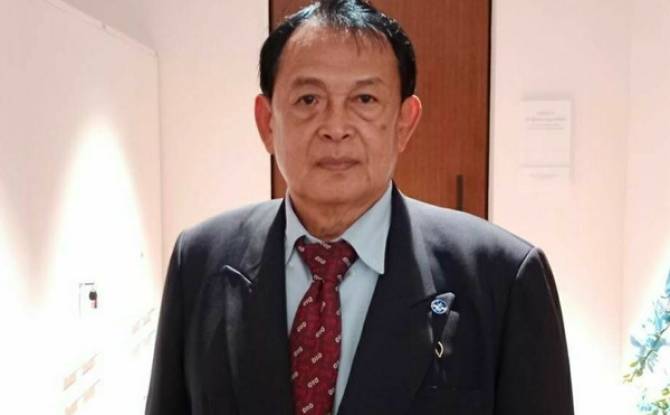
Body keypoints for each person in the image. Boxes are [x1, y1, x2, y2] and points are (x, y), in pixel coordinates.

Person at [145, 1, 574, 414]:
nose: (335, 128)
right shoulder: (199, 260)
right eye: (308, 100)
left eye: (364, 99)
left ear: (404, 122)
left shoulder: (503, 277)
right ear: (267, 122)